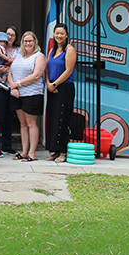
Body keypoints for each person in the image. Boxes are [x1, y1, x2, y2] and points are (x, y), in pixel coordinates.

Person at [7, 31, 47, 162]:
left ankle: (32, 153)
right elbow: (10, 71)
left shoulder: (39, 56)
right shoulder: (19, 55)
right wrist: (13, 85)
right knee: (22, 124)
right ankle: (24, 152)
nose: (28, 43)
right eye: (25, 41)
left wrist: (17, 84)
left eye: (30, 41)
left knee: (31, 123)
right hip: (17, 94)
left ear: (35, 42)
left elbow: (36, 75)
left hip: (32, 94)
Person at [45, 24, 77, 163]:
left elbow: (68, 71)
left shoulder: (70, 50)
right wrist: (48, 84)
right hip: (52, 88)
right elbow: (46, 68)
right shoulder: (52, 50)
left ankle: (64, 151)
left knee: (63, 119)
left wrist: (55, 84)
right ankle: (55, 151)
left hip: (64, 88)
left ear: (67, 35)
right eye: (57, 33)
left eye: (62, 33)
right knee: (53, 119)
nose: (59, 36)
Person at [0, 28, 18, 155]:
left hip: (13, 87)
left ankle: (7, 145)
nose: (9, 37)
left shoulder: (19, 52)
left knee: (9, 117)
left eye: (12, 35)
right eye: (7, 34)